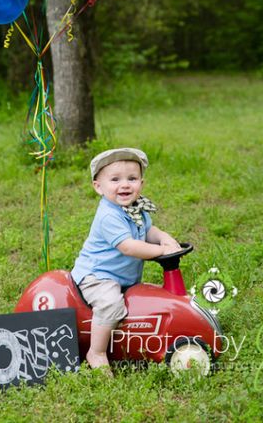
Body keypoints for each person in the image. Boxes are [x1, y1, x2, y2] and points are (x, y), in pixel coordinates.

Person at [71, 147, 181, 370]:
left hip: (121, 277)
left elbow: (149, 231)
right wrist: (161, 252)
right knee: (111, 305)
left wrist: (163, 238)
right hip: (97, 276)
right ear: (98, 187)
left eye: (132, 178)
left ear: (142, 182)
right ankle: (97, 352)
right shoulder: (108, 215)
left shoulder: (137, 209)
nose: (125, 185)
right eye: (115, 179)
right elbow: (129, 247)